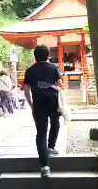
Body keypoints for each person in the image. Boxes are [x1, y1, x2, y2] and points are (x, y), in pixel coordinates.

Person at [23, 45, 62, 178]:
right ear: (48, 55)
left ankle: (45, 166)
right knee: (55, 123)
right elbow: (60, 85)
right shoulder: (53, 67)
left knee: (41, 133)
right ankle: (51, 147)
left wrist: (31, 104)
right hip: (53, 103)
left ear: (35, 56)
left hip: (38, 105)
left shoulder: (30, 70)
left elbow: (26, 90)